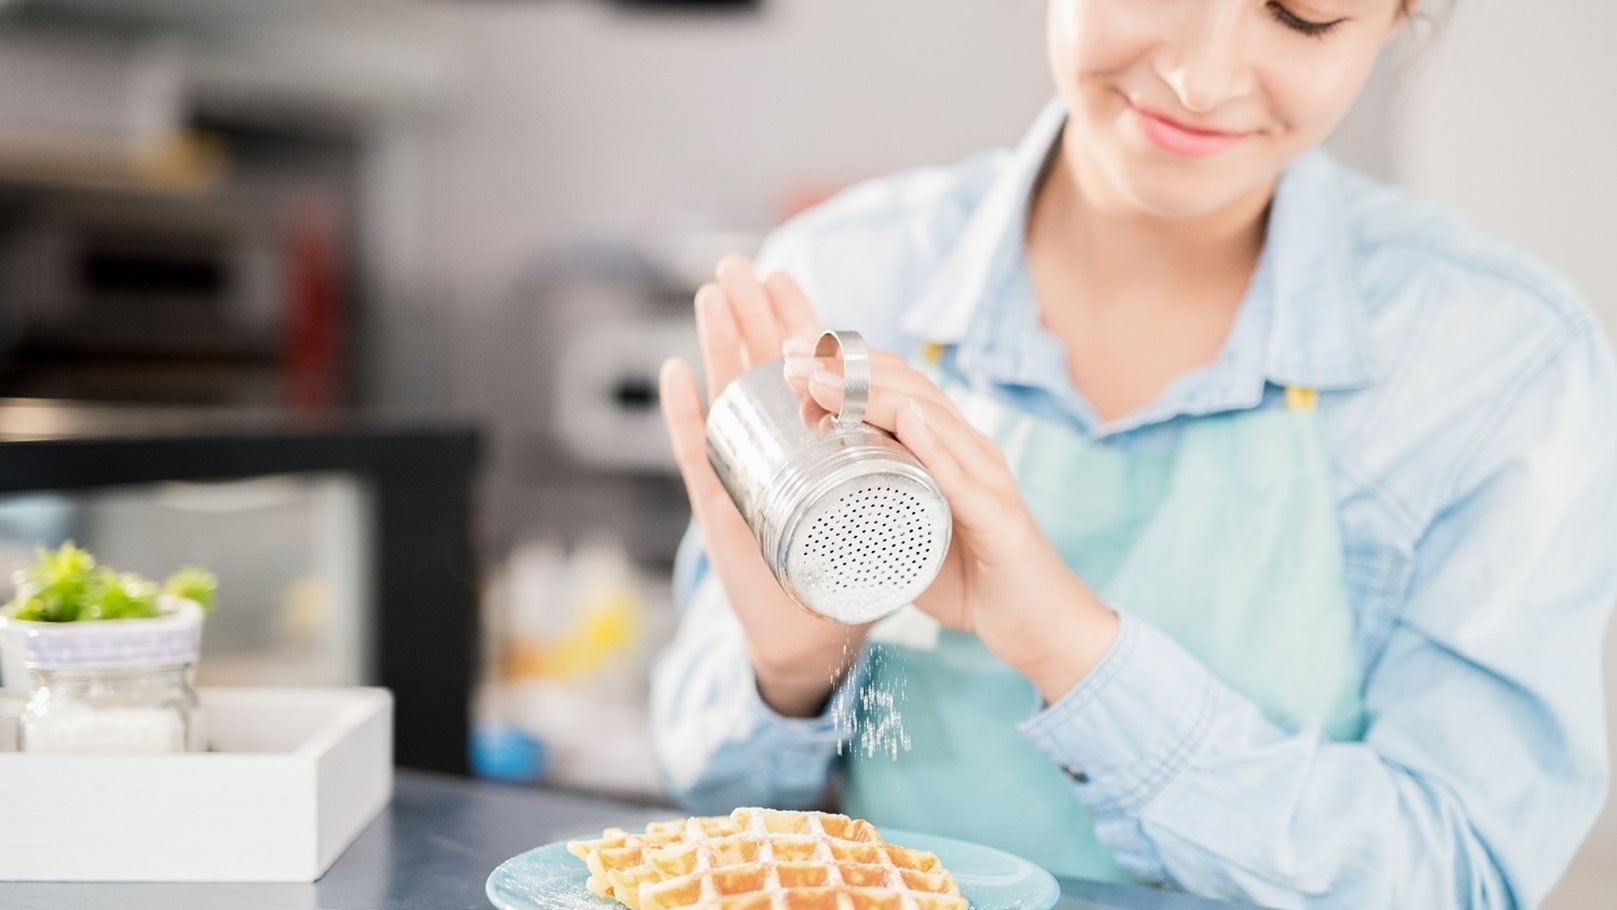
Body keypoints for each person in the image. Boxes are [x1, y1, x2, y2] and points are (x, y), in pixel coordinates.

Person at [650, 1, 1617, 907]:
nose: (1201, 80)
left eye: (1302, 15)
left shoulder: (1499, 361)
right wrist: (792, 669)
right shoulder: (848, 277)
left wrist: (1069, 648)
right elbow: (709, 798)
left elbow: (1461, 873)